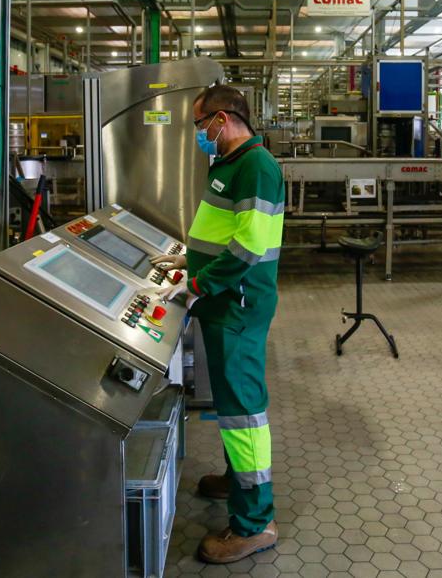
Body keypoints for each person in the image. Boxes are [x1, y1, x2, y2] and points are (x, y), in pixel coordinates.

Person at [153, 84, 284, 564]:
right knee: (231, 405)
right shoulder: (228, 163)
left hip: (238, 306)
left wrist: (201, 285)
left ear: (222, 119)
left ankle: (254, 524)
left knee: (245, 411)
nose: (198, 134)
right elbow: (217, 233)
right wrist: (186, 265)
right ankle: (236, 480)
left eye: (198, 125)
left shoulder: (257, 167)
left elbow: (248, 248)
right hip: (221, 302)